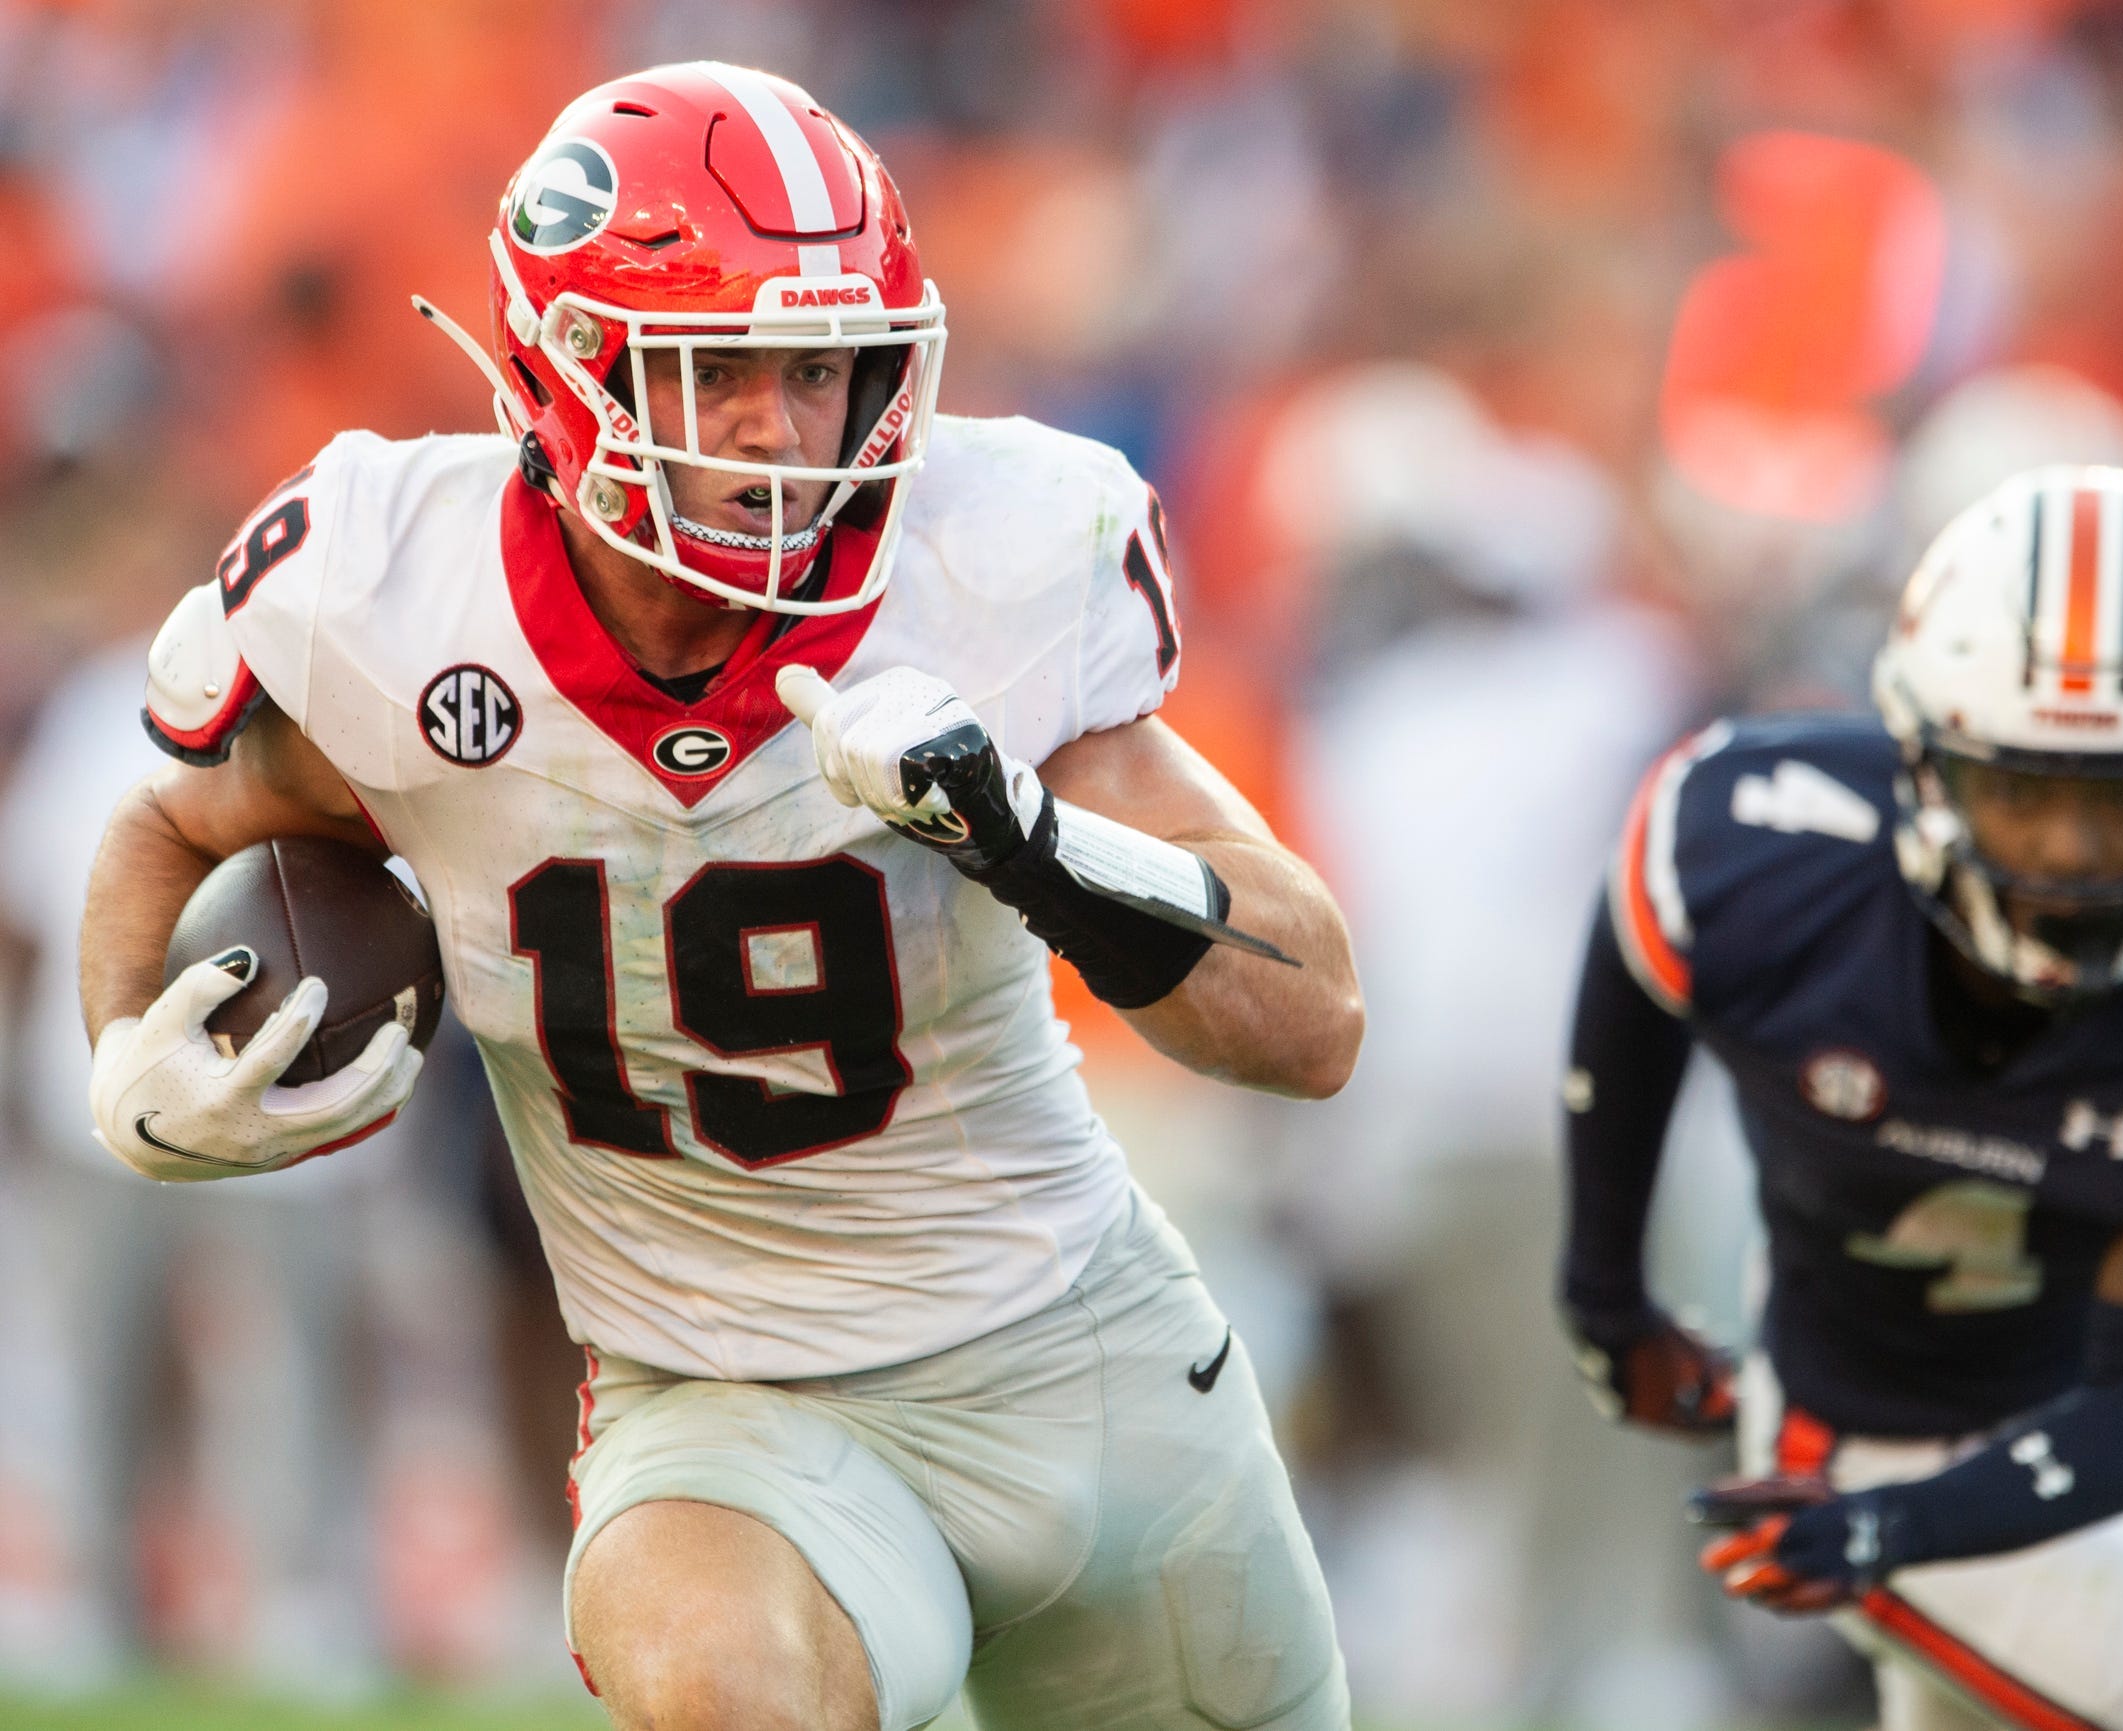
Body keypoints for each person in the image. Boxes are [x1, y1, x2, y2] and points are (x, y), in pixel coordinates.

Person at [78, 62, 1361, 1731]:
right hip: (723, 1399)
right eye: (721, 370)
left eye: (823, 366)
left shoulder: (991, 558)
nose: (782, 425)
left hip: (1080, 1363)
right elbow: (169, 819)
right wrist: (124, 1067)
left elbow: (1311, 1015)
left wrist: (1029, 839)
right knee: (728, 1692)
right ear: (568, 368)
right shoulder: (390, 592)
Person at [1561, 465, 2123, 1729]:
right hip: (1851, 1433)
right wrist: (1606, 1294)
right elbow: (1636, 972)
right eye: (2021, 789)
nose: (2071, 858)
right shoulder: (1765, 856)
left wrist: (1889, 1531)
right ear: (1922, 762)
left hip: (2076, 1461)